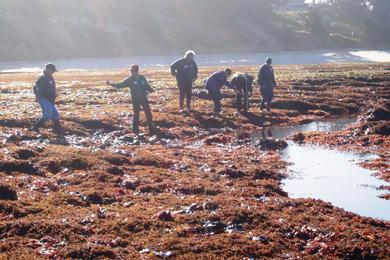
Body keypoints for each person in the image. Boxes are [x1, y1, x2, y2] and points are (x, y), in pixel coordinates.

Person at [106, 65, 156, 134]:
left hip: (144, 98)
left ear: (137, 71)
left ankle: (151, 127)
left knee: (148, 113)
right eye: (131, 71)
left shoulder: (142, 78)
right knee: (136, 115)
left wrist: (151, 90)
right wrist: (111, 84)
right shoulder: (129, 79)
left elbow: (147, 86)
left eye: (133, 71)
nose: (132, 72)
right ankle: (135, 130)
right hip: (135, 100)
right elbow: (119, 85)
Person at [32, 63, 64, 134]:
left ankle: (58, 128)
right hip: (43, 98)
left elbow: (51, 88)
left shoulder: (50, 77)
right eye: (53, 70)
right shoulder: (42, 77)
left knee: (55, 114)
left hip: (50, 99)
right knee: (47, 114)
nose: (53, 72)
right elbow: (36, 88)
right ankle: (35, 127)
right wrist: (37, 96)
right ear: (48, 69)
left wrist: (54, 94)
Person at [170, 50, 198, 114]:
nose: (191, 59)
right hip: (181, 81)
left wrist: (195, 76)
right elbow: (172, 66)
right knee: (182, 94)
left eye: (192, 58)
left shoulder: (192, 62)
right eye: (190, 58)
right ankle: (181, 109)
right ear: (186, 56)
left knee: (189, 95)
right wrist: (174, 74)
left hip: (189, 81)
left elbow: (196, 69)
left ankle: (188, 108)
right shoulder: (180, 62)